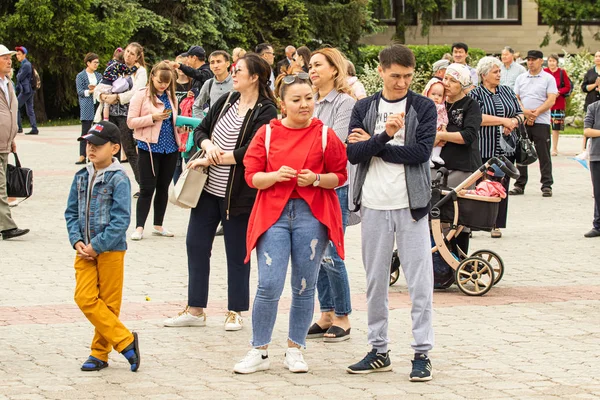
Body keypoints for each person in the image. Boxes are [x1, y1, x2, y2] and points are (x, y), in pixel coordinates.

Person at [233, 73, 348, 375]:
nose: (304, 105)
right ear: (282, 103)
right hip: (274, 215)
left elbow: (340, 175)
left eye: (309, 98)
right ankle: (259, 349)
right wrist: (274, 177)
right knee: (269, 283)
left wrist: (317, 179)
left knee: (304, 285)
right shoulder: (266, 133)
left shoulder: (325, 134)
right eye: (296, 100)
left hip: (312, 215)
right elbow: (252, 176)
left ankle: (295, 348)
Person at [163, 54, 278, 331]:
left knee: (237, 251)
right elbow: (201, 129)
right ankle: (195, 309)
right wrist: (208, 146)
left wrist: (213, 158)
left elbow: (252, 151)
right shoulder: (227, 101)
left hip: (238, 194)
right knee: (196, 244)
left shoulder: (267, 110)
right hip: (208, 190)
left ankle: (235, 310)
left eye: (239, 71)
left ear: (254, 77)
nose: (232, 74)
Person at [345, 44, 435, 381]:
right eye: (395, 76)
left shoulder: (422, 106)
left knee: (420, 282)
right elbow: (354, 154)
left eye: (408, 76)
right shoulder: (365, 107)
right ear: (381, 71)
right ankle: (378, 349)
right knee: (375, 282)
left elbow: (420, 153)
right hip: (373, 204)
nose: (401, 83)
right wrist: (387, 135)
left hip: (411, 206)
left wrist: (377, 146)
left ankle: (422, 351)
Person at [65, 121, 140, 372]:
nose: (91, 149)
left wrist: (97, 245)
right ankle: (125, 340)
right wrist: (77, 240)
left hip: (110, 250)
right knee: (84, 297)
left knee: (108, 305)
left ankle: (99, 354)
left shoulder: (119, 179)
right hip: (83, 250)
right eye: (88, 144)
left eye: (98, 145)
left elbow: (121, 220)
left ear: (115, 148)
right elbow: (71, 212)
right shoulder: (81, 175)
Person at [303, 47, 355, 343]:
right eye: (310, 65)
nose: (312, 70)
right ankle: (326, 313)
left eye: (318, 65)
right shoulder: (310, 101)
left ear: (334, 69)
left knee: (333, 252)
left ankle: (344, 316)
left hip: (334, 187)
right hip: (310, 186)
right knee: (315, 251)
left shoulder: (345, 102)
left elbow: (333, 141)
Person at [469, 56, 523, 239]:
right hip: (484, 148)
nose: (499, 74)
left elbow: (520, 113)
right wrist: (502, 120)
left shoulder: (507, 91)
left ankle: (496, 224)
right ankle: (474, 224)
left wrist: (513, 122)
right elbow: (477, 118)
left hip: (505, 148)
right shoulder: (475, 95)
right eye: (495, 72)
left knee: (501, 186)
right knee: (482, 186)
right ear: (484, 75)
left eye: (500, 71)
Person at [127, 62, 181, 241]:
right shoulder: (141, 95)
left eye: (166, 82)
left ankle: (158, 224)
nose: (163, 85)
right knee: (146, 188)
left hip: (170, 147)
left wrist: (182, 128)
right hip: (149, 148)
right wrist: (153, 118)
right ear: (152, 77)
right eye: (160, 81)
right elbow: (131, 122)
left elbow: (174, 122)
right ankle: (139, 227)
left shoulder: (171, 96)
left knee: (163, 187)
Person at [437, 63, 483, 253]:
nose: (446, 83)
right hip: (439, 165)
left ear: (463, 85)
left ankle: (460, 258)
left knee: (459, 215)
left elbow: (468, 136)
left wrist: (441, 136)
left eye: (453, 80)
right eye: (445, 78)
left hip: (463, 166)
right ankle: (440, 260)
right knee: (439, 214)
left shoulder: (470, 105)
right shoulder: (438, 102)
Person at [99, 42, 148, 192]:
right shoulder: (115, 67)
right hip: (108, 112)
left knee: (129, 149)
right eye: (127, 52)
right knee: (108, 149)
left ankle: (143, 185)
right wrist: (101, 94)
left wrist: (118, 98)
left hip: (126, 114)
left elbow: (136, 92)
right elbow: (101, 85)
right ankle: (110, 184)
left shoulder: (140, 72)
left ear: (138, 56)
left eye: (132, 54)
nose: (128, 55)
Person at [511, 50, 558, 198]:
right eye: (528, 59)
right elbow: (516, 97)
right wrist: (525, 112)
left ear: (540, 61)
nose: (530, 62)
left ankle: (546, 184)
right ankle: (519, 184)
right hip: (523, 120)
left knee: (543, 154)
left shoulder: (548, 78)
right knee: (521, 153)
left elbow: (551, 100)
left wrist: (535, 113)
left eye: (533, 59)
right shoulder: (521, 78)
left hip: (541, 121)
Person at [0, 45, 29, 240]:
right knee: (1, 186)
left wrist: (11, 140)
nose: (9, 61)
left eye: (10, 58)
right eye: (4, 58)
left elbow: (10, 112)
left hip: (4, 142)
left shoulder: (8, 82)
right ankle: (8, 227)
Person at [94, 48, 139, 122]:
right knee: (107, 104)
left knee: (105, 104)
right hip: (109, 88)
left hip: (103, 83)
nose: (128, 56)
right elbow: (129, 71)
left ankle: (104, 119)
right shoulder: (120, 66)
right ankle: (106, 119)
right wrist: (136, 67)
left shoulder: (110, 63)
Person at [75, 53, 102, 164]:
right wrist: (90, 91)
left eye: (97, 63)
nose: (96, 65)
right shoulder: (81, 76)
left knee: (98, 131)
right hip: (87, 105)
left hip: (98, 104)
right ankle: (82, 155)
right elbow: (80, 91)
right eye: (94, 62)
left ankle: (96, 155)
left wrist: (97, 89)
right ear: (88, 63)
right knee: (85, 131)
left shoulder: (99, 76)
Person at [544, 54, 571, 157]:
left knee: (556, 127)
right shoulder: (545, 72)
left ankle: (554, 148)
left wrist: (559, 92)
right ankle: (545, 147)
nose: (552, 63)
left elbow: (567, 86)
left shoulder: (561, 72)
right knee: (544, 126)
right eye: (550, 61)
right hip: (546, 102)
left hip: (558, 102)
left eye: (553, 61)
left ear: (557, 62)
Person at [193, 50, 233, 116]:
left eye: (219, 61)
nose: (215, 65)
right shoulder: (209, 83)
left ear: (227, 64)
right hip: (214, 125)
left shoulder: (237, 82)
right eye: (212, 62)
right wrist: (203, 123)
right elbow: (197, 106)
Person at [583, 101, 600, 238]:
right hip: (597, 156)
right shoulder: (593, 107)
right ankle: (598, 225)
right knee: (598, 192)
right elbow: (587, 131)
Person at [579, 51, 600, 159]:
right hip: (591, 101)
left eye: (599, 56)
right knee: (589, 125)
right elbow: (584, 87)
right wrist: (595, 85)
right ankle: (585, 149)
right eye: (596, 56)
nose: (597, 58)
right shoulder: (590, 72)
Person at [422, 78, 448, 167]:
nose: (436, 97)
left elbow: (444, 117)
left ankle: (436, 155)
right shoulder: (425, 105)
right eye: (433, 94)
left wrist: (444, 126)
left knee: (439, 143)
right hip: (428, 128)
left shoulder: (442, 107)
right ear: (427, 93)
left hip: (438, 128)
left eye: (440, 95)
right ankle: (428, 158)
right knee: (428, 142)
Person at [14, 46, 38, 135]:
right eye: (16, 54)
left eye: (19, 54)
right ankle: (34, 128)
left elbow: (19, 77)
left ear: (24, 55)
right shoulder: (25, 64)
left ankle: (19, 127)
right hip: (28, 90)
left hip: (26, 91)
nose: (17, 56)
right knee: (30, 109)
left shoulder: (26, 65)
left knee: (15, 106)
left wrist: (18, 75)